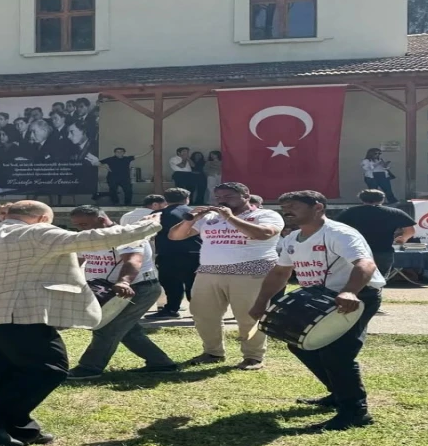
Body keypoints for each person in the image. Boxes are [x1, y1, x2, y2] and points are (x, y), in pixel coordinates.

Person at [0, 200, 160, 446]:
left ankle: (22, 429)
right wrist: (146, 227)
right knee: (51, 368)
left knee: (6, 373)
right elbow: (96, 238)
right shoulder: (39, 233)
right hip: (18, 315)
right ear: (44, 218)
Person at [250, 190, 384, 431]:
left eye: (294, 206)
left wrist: (350, 291)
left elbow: (366, 263)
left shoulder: (339, 233)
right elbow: (281, 272)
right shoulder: (292, 239)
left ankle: (355, 412)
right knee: (299, 343)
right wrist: (261, 302)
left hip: (355, 296)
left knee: (338, 353)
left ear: (318, 208)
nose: (287, 211)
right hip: (321, 298)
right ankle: (339, 392)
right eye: (285, 207)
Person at [167, 181, 283, 370]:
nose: (222, 201)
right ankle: (212, 352)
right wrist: (191, 219)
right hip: (209, 272)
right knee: (203, 314)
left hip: (250, 272)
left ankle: (253, 356)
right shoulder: (210, 218)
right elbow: (175, 236)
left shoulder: (265, 214)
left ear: (246, 196)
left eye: (228, 197)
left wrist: (230, 218)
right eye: (219, 198)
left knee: (248, 316)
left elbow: (264, 234)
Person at [67, 206, 177, 378]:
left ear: (102, 220)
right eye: (77, 225)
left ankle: (89, 368)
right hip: (107, 290)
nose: (81, 228)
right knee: (127, 329)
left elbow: (133, 260)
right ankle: (161, 363)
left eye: (84, 224)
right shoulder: (88, 238)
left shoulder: (126, 235)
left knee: (107, 327)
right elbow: (77, 262)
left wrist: (123, 282)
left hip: (138, 288)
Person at [335, 190, 417, 275]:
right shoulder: (395, 212)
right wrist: (402, 239)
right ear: (382, 200)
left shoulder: (349, 212)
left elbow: (337, 229)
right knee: (380, 280)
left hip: (356, 251)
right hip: (383, 251)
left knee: (356, 279)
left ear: (361, 199)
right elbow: (410, 230)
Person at [149, 188, 201, 320]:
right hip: (195, 253)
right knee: (193, 284)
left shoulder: (158, 214)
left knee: (170, 283)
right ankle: (199, 311)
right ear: (187, 199)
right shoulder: (195, 213)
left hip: (168, 253)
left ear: (166, 199)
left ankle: (171, 309)